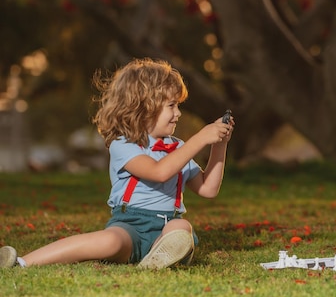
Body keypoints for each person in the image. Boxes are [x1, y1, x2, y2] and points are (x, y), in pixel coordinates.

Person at [0, 58, 234, 269]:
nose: (178, 113)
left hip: (167, 226)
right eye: (172, 105)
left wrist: (218, 145)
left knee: (181, 229)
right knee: (110, 240)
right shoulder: (124, 145)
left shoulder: (178, 148)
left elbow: (208, 189)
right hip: (130, 226)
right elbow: (159, 172)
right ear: (144, 107)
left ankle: (156, 259)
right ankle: (22, 262)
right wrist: (200, 139)